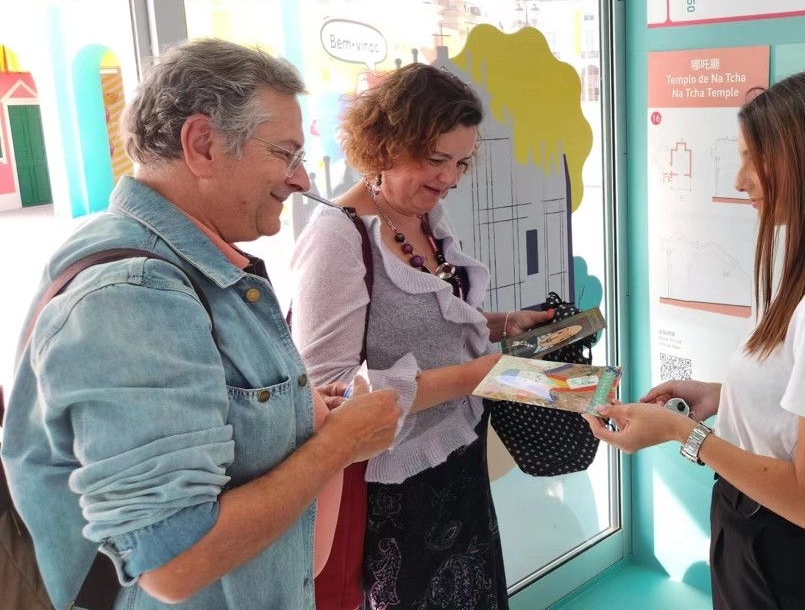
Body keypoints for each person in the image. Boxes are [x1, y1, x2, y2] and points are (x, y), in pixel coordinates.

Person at [1, 38, 402, 609]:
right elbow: (172, 561)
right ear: (203, 145)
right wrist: (341, 443)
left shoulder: (182, 271)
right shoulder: (135, 298)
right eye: (286, 154)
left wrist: (300, 412)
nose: (302, 181)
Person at [585, 70, 805, 609]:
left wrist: (684, 433)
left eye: (754, 160)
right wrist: (722, 396)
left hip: (787, 559)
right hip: (764, 537)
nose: (739, 180)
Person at [289, 63, 554, 610]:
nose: (449, 178)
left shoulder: (423, 214)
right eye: (436, 159)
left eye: (461, 163)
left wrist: (500, 324)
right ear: (385, 144)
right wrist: (473, 376)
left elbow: (431, 318)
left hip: (458, 457)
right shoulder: (337, 238)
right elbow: (331, 391)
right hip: (392, 488)